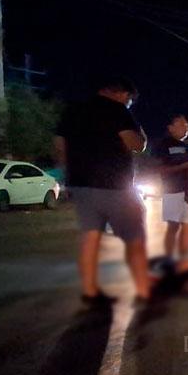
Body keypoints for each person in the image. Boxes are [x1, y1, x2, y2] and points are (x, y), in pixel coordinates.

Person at [53, 76, 149, 305]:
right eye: (130, 101)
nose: (129, 104)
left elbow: (59, 146)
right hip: (114, 185)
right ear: (123, 94)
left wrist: (68, 175)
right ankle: (143, 290)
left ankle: (90, 291)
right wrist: (142, 136)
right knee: (135, 236)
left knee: (90, 236)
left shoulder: (73, 110)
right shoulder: (118, 110)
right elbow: (135, 145)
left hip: (81, 184)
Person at [154, 114, 188, 265]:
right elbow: (161, 170)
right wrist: (185, 166)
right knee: (173, 226)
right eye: (181, 125)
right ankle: (168, 259)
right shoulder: (164, 145)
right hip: (173, 190)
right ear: (170, 128)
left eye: (187, 125)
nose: (185, 128)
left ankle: (183, 259)